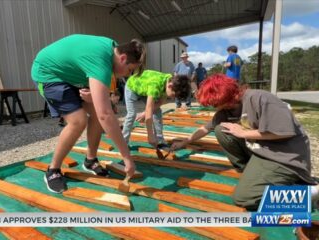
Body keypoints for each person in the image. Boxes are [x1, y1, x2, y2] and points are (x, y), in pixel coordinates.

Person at [170, 74, 317, 210]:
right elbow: (205, 128)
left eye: (214, 104)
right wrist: (184, 142)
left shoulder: (260, 98)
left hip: (285, 158)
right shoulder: (226, 111)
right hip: (261, 152)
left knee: (244, 198)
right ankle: (250, 173)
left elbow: (284, 131)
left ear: (223, 98)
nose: (213, 107)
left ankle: (309, 194)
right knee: (222, 129)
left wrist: (243, 133)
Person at [31, 34, 145, 193]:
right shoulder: (101, 62)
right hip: (48, 73)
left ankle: (90, 160)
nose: (127, 75)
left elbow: (103, 111)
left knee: (98, 113)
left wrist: (96, 99)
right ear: (123, 58)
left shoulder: (112, 50)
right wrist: (127, 158)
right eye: (130, 69)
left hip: (71, 74)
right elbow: (105, 114)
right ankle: (53, 171)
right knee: (78, 121)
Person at [122, 70, 191, 148]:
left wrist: (144, 113)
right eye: (173, 95)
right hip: (132, 86)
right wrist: (150, 136)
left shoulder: (169, 80)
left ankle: (159, 140)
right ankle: (123, 143)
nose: (173, 98)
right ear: (170, 86)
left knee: (157, 111)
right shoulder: (155, 86)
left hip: (145, 88)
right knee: (132, 114)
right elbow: (149, 110)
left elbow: (160, 103)